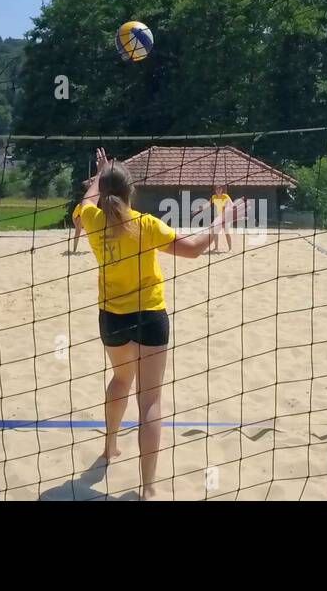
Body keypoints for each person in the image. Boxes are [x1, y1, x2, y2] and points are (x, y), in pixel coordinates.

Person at [75, 148, 247, 499]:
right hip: (150, 317)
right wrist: (221, 221)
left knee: (121, 379)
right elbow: (195, 249)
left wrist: (99, 173)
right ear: (130, 191)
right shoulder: (146, 224)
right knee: (150, 400)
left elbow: (88, 198)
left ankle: (109, 447)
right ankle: (148, 485)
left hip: (112, 317)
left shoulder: (90, 219)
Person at [194, 184, 233, 252]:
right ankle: (216, 248)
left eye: (220, 189)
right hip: (219, 217)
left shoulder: (226, 196)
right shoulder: (214, 197)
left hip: (227, 217)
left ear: (222, 190)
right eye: (217, 189)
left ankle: (230, 249)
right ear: (215, 190)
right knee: (215, 231)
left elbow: (232, 205)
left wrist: (227, 208)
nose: (218, 190)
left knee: (227, 233)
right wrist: (198, 209)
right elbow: (207, 204)